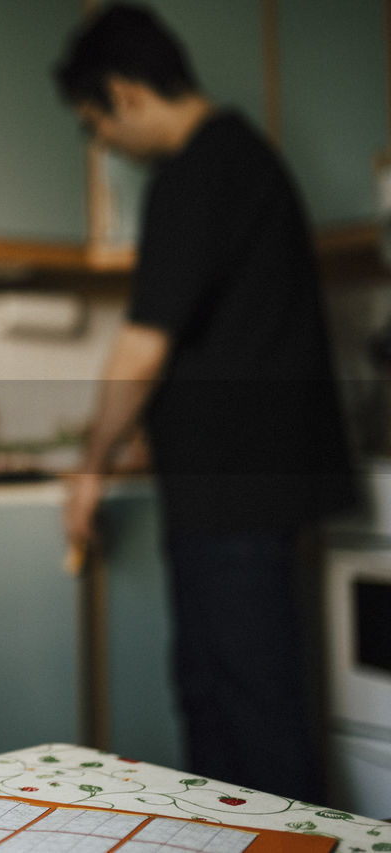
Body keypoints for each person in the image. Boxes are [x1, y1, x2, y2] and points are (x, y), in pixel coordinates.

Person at [54, 4, 354, 803]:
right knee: (237, 718)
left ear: (121, 93)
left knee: (243, 726)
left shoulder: (194, 172)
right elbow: (226, 340)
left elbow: (144, 344)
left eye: (96, 123)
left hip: (234, 496)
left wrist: (90, 466)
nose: (104, 144)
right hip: (247, 486)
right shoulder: (244, 159)